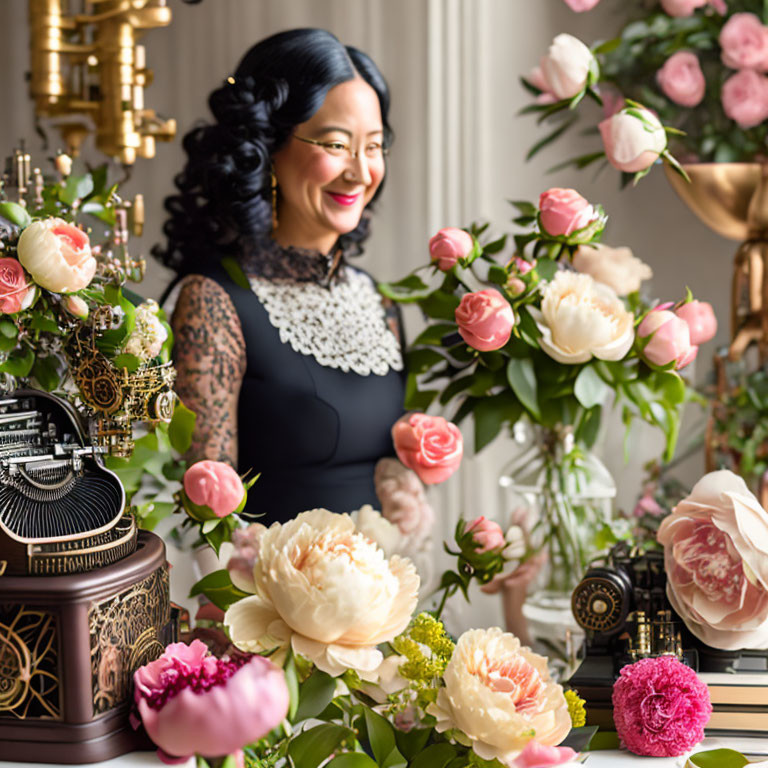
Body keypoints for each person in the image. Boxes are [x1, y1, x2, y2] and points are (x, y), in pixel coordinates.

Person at [155, 28, 417, 524]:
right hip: (264, 594)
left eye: (375, 146)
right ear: (267, 146)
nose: (360, 172)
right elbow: (204, 523)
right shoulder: (213, 302)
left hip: (384, 590)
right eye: (337, 144)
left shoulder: (379, 302)